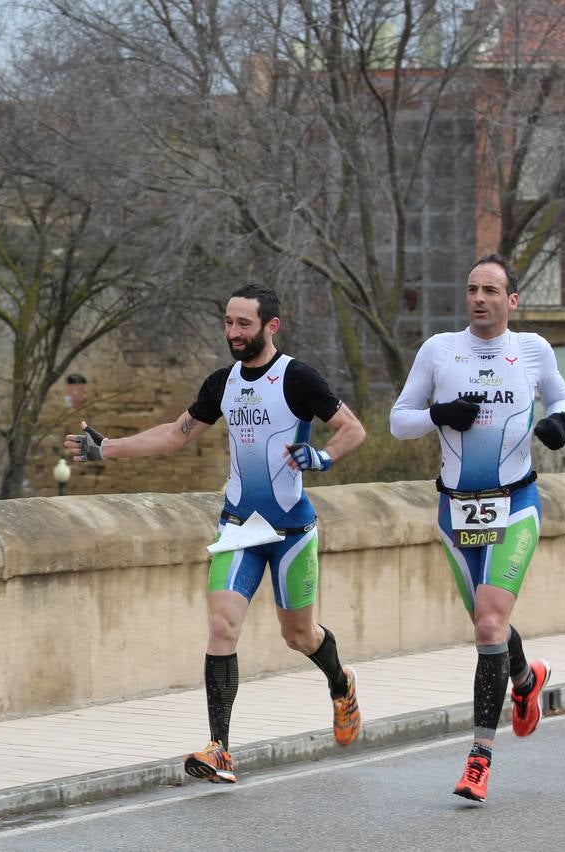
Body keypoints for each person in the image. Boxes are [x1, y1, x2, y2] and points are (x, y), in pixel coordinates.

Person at [65, 283, 367, 784]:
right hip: (240, 528)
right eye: (228, 323)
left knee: (299, 636)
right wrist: (107, 448)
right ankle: (220, 748)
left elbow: (352, 428)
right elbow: (175, 434)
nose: (233, 333)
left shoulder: (297, 378)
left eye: (243, 324)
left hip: (292, 530)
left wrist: (322, 457)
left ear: (271, 326)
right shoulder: (223, 383)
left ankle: (341, 682)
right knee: (223, 625)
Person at [390, 254, 565, 803]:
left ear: (511, 301)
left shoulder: (534, 350)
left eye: (491, 290)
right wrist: (440, 414)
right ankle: (525, 679)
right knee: (486, 625)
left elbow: (561, 397)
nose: (478, 298)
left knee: (491, 626)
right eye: (472, 288)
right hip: (456, 510)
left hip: (515, 503)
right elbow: (398, 421)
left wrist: (558, 423)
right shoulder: (439, 351)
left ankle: (478, 760)